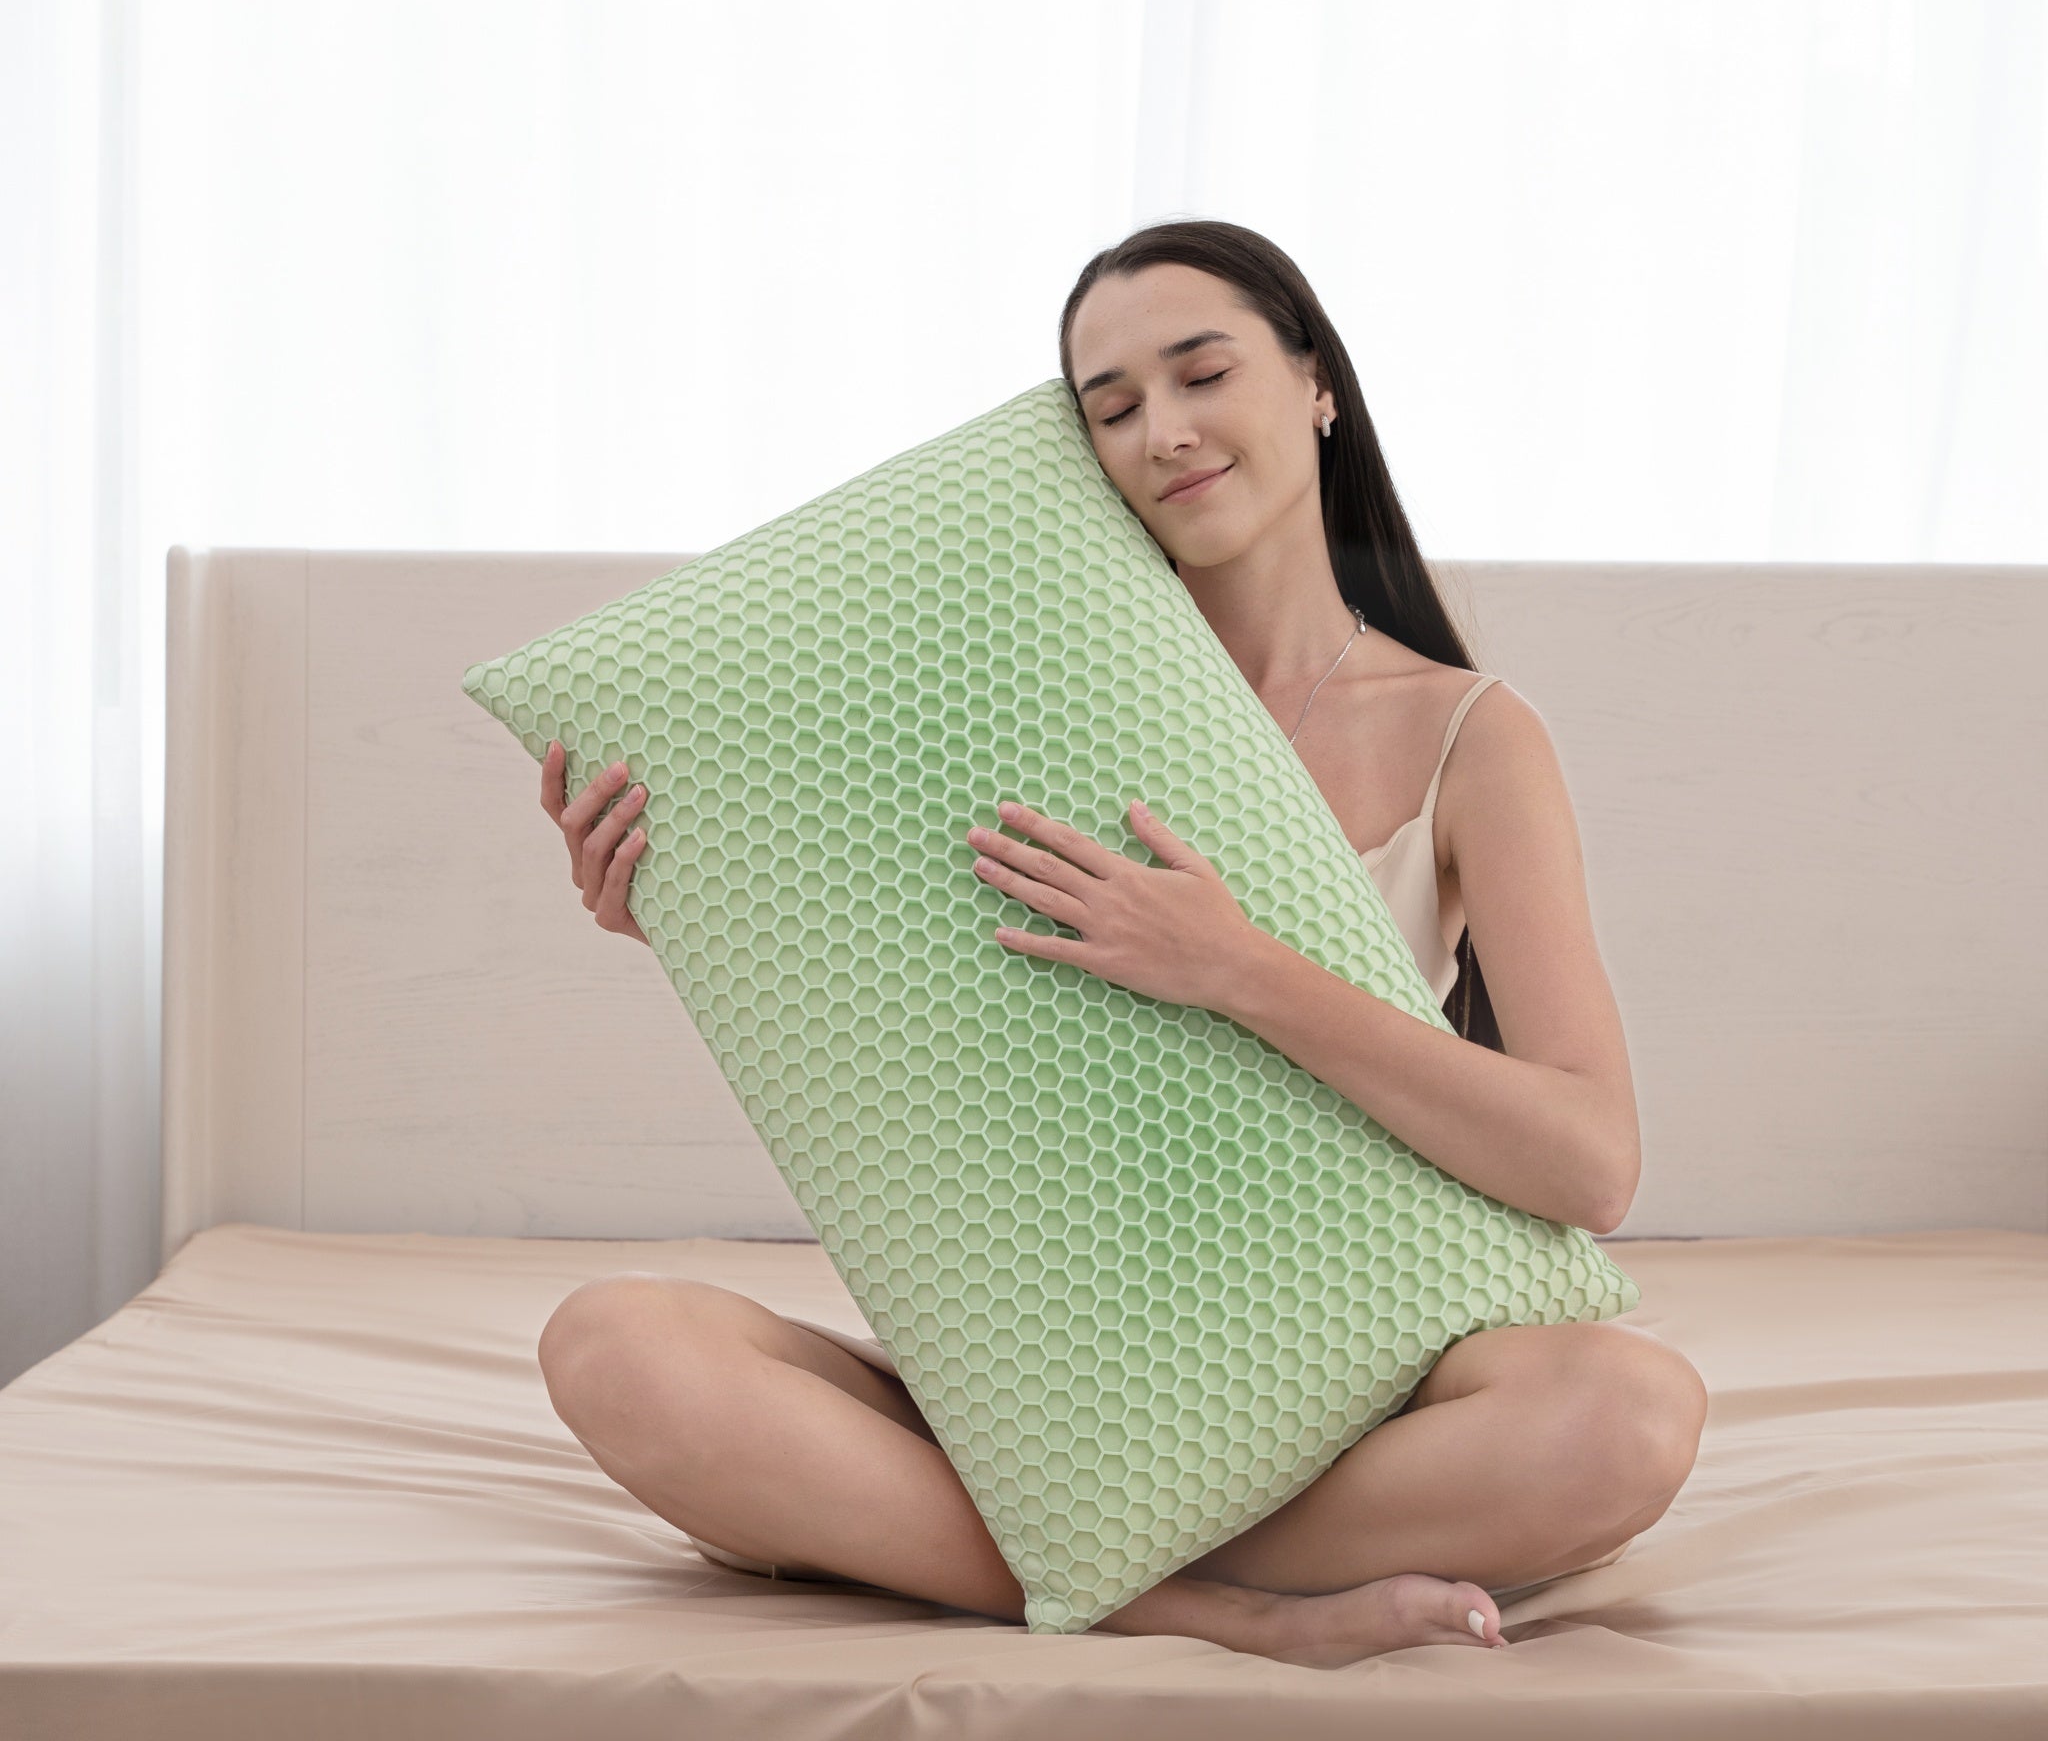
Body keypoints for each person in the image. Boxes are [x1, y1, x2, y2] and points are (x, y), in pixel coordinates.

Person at [532, 219, 1709, 1665]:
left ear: (1318, 384)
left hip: (1363, 1378)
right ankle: (1203, 1607)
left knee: (1629, 1417)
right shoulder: (984, 699)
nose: (1164, 431)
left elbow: (1591, 1161)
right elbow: (913, 1002)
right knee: (615, 1347)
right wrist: (685, 907)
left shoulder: (1468, 736)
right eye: (1110, 408)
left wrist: (1242, 969)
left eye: (1201, 373)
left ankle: (1005, 1548)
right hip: (1054, 1365)